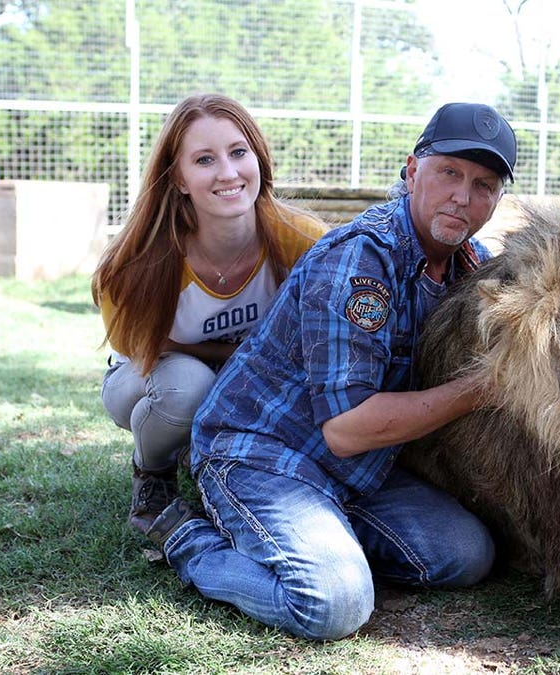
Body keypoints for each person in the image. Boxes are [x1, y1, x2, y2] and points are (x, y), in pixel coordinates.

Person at [146, 102, 519, 640]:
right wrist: (480, 389)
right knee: (333, 605)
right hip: (262, 453)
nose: (463, 196)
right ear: (413, 170)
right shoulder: (359, 261)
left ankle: (320, 541)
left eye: (484, 185)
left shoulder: (470, 266)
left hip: (359, 472)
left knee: (466, 556)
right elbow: (347, 429)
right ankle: (189, 539)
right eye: (449, 173)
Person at [91, 93, 326, 535]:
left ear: (258, 157)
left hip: (250, 378)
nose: (228, 172)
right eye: (204, 160)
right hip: (148, 379)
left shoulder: (303, 241)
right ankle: (153, 471)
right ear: (178, 178)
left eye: (239, 152)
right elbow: (141, 346)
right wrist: (234, 358)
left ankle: (210, 454)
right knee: (190, 388)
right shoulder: (135, 263)